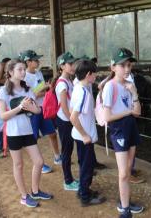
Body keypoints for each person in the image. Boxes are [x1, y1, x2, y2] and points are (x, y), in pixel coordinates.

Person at [0, 59, 53, 208]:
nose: (23, 72)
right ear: (10, 72)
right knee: (19, 164)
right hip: (13, 133)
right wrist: (20, 107)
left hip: (27, 131)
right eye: (20, 69)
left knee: (39, 162)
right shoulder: (3, 91)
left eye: (23, 69)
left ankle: (35, 191)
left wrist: (31, 108)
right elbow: (3, 116)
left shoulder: (27, 89)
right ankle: (24, 196)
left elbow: (38, 110)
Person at [102, 48, 144, 218]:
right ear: (113, 67)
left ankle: (124, 201)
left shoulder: (128, 85)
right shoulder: (110, 87)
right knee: (124, 173)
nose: (127, 69)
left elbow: (138, 112)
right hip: (119, 129)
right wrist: (128, 112)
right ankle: (125, 210)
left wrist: (134, 93)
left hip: (131, 127)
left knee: (127, 169)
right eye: (122, 65)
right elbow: (107, 116)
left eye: (129, 65)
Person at [70, 59, 106, 206]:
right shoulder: (83, 93)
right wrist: (85, 135)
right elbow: (73, 116)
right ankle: (85, 197)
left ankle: (83, 190)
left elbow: (72, 111)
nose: (96, 76)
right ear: (88, 74)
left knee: (85, 164)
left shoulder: (78, 86)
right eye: (94, 73)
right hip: (85, 137)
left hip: (81, 135)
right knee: (87, 166)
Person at [21, 50, 62, 174]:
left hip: (43, 108)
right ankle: (39, 164)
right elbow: (33, 95)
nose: (38, 61)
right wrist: (44, 89)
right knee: (33, 138)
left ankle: (57, 157)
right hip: (32, 110)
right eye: (35, 60)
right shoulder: (25, 77)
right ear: (28, 62)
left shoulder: (39, 73)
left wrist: (44, 90)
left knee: (52, 133)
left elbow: (40, 92)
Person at [54, 52, 78, 191]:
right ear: (62, 66)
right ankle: (68, 181)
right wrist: (72, 120)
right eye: (69, 64)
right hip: (65, 120)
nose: (72, 66)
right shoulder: (62, 83)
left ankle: (70, 179)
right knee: (66, 151)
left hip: (68, 119)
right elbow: (63, 105)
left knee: (68, 149)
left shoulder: (68, 80)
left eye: (73, 63)